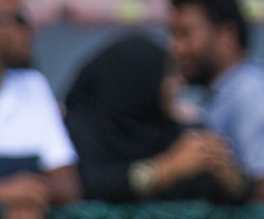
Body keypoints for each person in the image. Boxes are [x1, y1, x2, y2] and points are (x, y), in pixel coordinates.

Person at [64, 33, 249, 203]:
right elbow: (90, 185)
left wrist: (227, 178)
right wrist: (165, 169)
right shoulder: (80, 127)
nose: (180, 83)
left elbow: (210, 190)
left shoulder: (168, 130)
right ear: (137, 80)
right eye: (169, 75)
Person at [168, 0, 264, 201]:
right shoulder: (221, 95)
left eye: (185, 34)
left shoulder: (251, 93)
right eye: (173, 35)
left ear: (227, 35)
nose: (176, 48)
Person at [0, 0, 81, 219]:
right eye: (21, 20)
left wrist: (29, 198)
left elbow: (67, 185)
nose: (31, 31)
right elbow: (4, 190)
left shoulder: (33, 86)